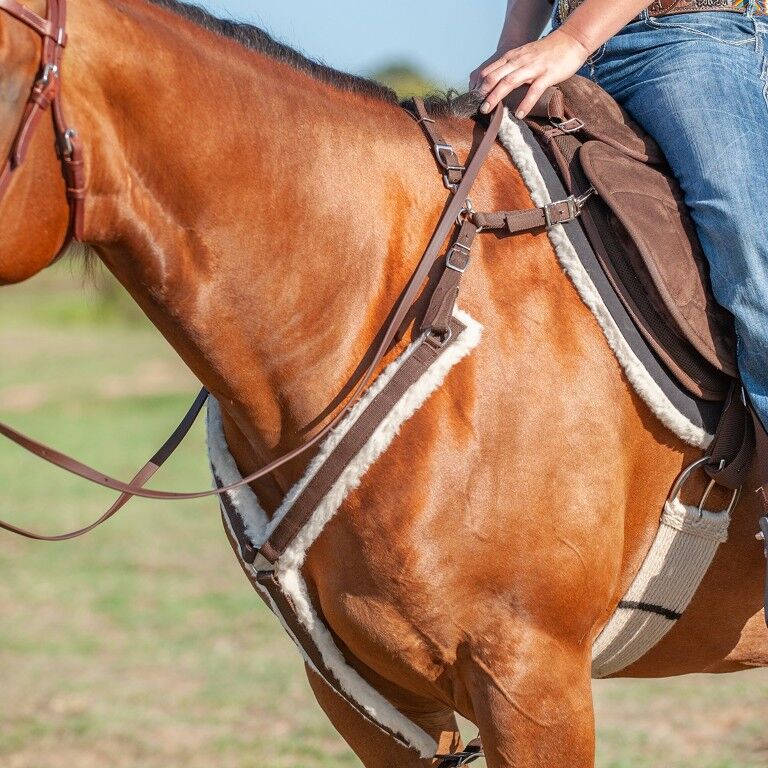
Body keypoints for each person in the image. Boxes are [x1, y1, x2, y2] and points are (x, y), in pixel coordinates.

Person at [471, 0, 768, 433]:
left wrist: (572, 40)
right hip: (570, 54)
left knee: (749, 241)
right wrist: (511, 50)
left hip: (692, 35)